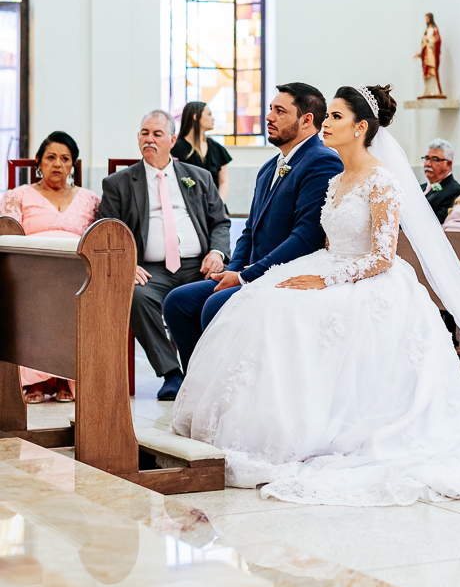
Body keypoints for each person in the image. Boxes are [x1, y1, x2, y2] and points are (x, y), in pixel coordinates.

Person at [172, 84, 460, 501]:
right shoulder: (337, 178)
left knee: (288, 313)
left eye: (336, 116)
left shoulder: (381, 180)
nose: (326, 123)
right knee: (262, 301)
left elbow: (382, 256)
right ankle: (260, 422)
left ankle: (307, 429)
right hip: (329, 264)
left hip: (368, 279)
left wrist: (328, 280)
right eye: (328, 115)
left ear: (360, 127)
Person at [164, 83, 343, 377]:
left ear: (307, 120)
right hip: (248, 272)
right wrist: (232, 271)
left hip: (283, 276)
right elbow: (250, 229)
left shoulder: (321, 161)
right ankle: (198, 384)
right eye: (270, 109)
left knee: (215, 306)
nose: (269, 117)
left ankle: (222, 388)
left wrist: (246, 276)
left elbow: (306, 237)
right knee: (179, 303)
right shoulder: (269, 167)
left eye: (280, 111)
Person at [96, 110, 230, 401]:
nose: (150, 139)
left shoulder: (199, 177)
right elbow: (106, 232)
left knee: (224, 290)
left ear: (172, 140)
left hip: (199, 267)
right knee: (136, 295)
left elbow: (220, 221)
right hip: (149, 269)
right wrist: (125, 264)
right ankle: (172, 373)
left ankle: (205, 371)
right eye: (145, 133)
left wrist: (217, 252)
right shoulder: (119, 184)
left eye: (157, 134)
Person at [0, 131, 99, 403]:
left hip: (77, 272)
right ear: (39, 163)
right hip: (32, 270)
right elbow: (8, 234)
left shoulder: (90, 198)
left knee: (77, 295)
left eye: (65, 158)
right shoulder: (18, 195)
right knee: (38, 296)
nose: (57, 164)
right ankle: (38, 380)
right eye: (51, 157)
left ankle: (65, 378)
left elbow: (97, 237)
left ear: (73, 166)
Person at [172, 102, 232, 203]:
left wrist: (219, 205)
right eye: (209, 114)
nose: (212, 118)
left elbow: (223, 182)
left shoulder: (216, 148)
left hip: (215, 206)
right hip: (187, 206)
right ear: (195, 116)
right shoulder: (175, 148)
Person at [420, 138, 460, 224]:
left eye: (434, 159)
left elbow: (439, 224)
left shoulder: (455, 191)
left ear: (448, 164)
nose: (428, 164)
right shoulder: (420, 187)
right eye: (427, 158)